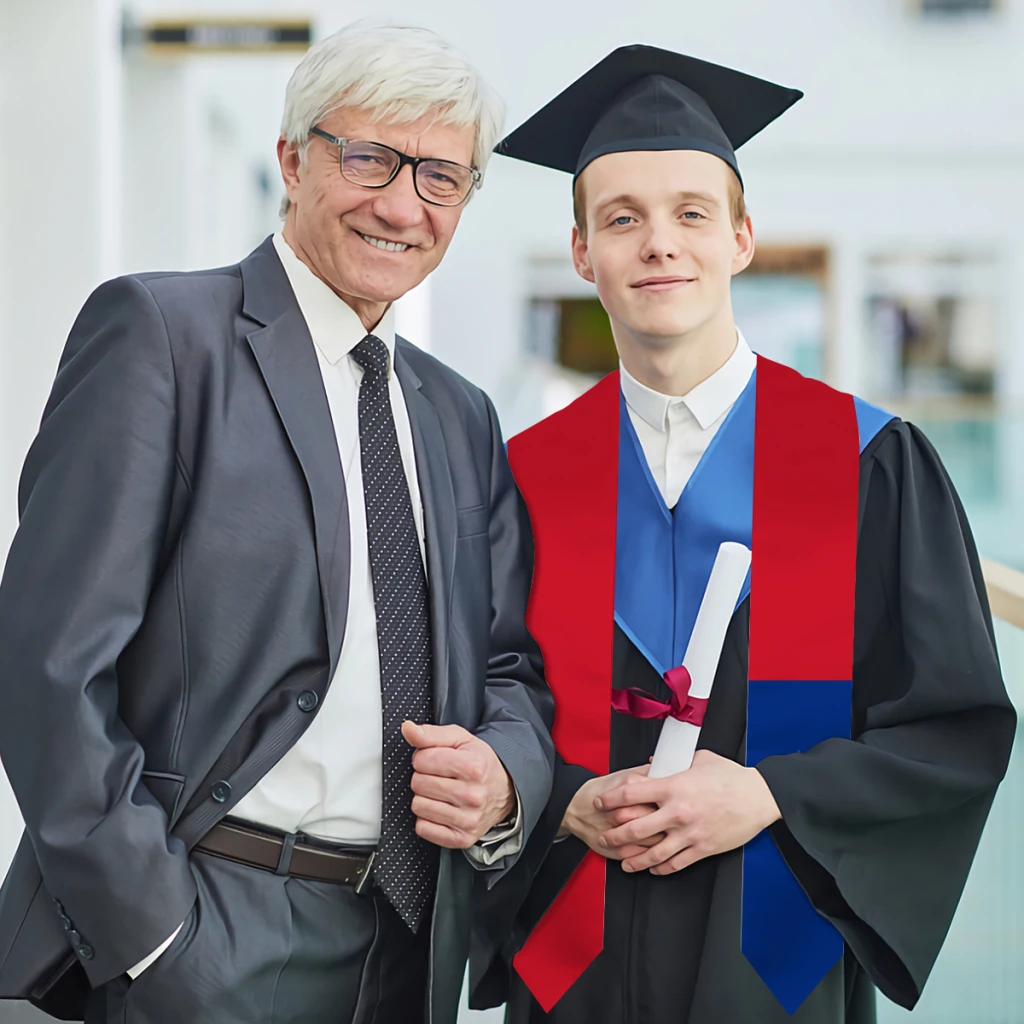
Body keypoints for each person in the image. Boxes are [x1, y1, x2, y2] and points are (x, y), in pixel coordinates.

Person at [0, 20, 553, 1024]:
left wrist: (505, 777)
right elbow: (48, 664)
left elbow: (508, 663)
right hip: (204, 927)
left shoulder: (458, 413)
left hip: (403, 943)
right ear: (292, 160)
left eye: (440, 177)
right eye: (369, 157)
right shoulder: (164, 340)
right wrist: (154, 936)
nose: (400, 204)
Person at [469, 44, 1016, 1024]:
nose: (657, 243)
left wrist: (771, 795)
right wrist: (561, 800)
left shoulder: (868, 463)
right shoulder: (522, 478)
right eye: (621, 218)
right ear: (582, 252)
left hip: (774, 961)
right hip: (575, 967)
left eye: (690, 212)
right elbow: (477, 705)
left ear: (742, 238)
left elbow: (950, 728)